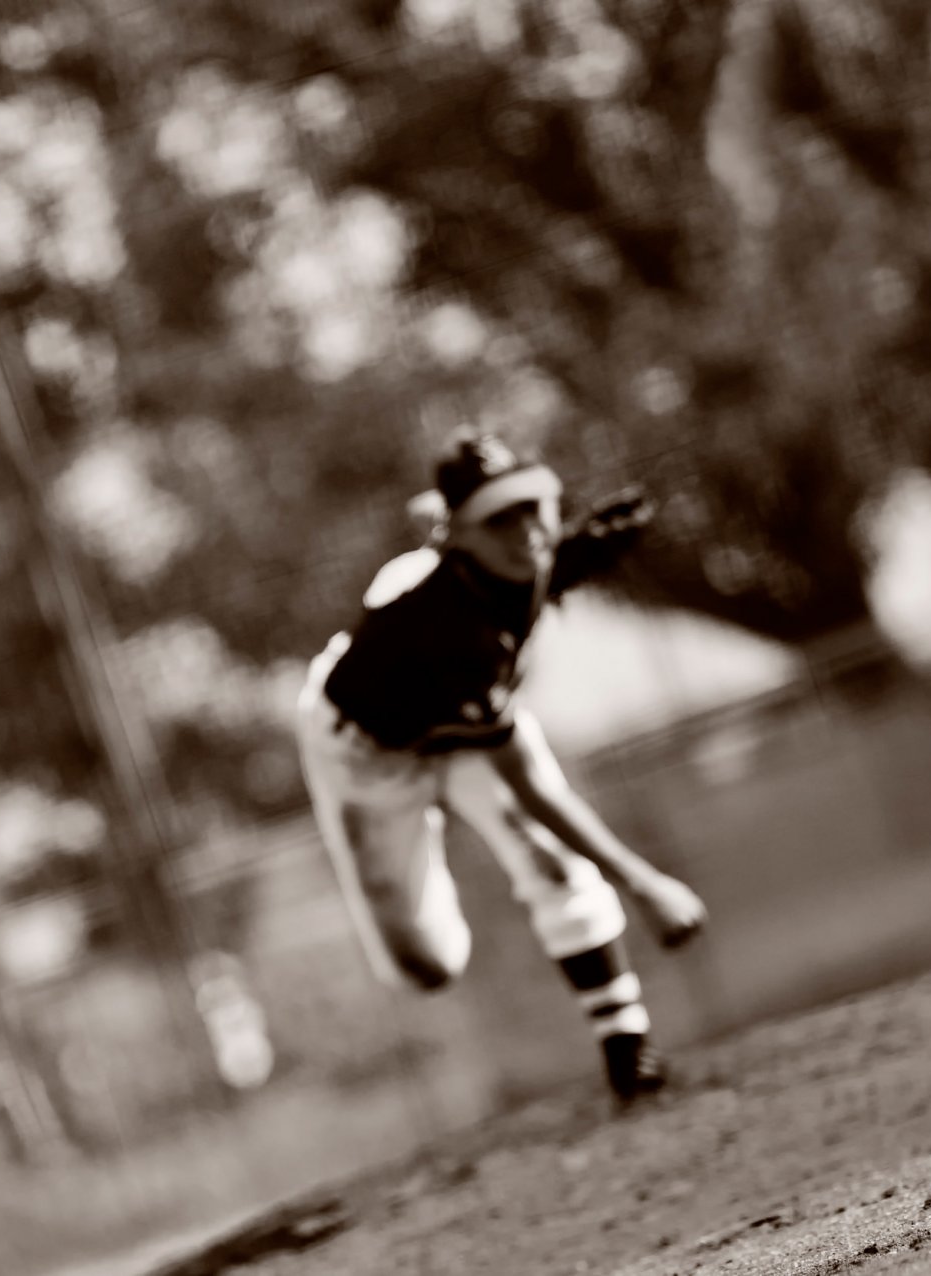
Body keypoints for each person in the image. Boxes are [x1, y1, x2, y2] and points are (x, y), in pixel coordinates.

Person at [295, 433, 709, 1104]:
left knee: (547, 857)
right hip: (367, 757)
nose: (525, 531)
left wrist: (578, 550)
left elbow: (527, 568)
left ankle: (627, 1046)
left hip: (455, 728)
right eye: (499, 519)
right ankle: (607, 1012)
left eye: (531, 507)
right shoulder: (447, 631)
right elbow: (535, 785)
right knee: (428, 965)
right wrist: (645, 882)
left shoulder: (512, 563)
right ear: (455, 535)